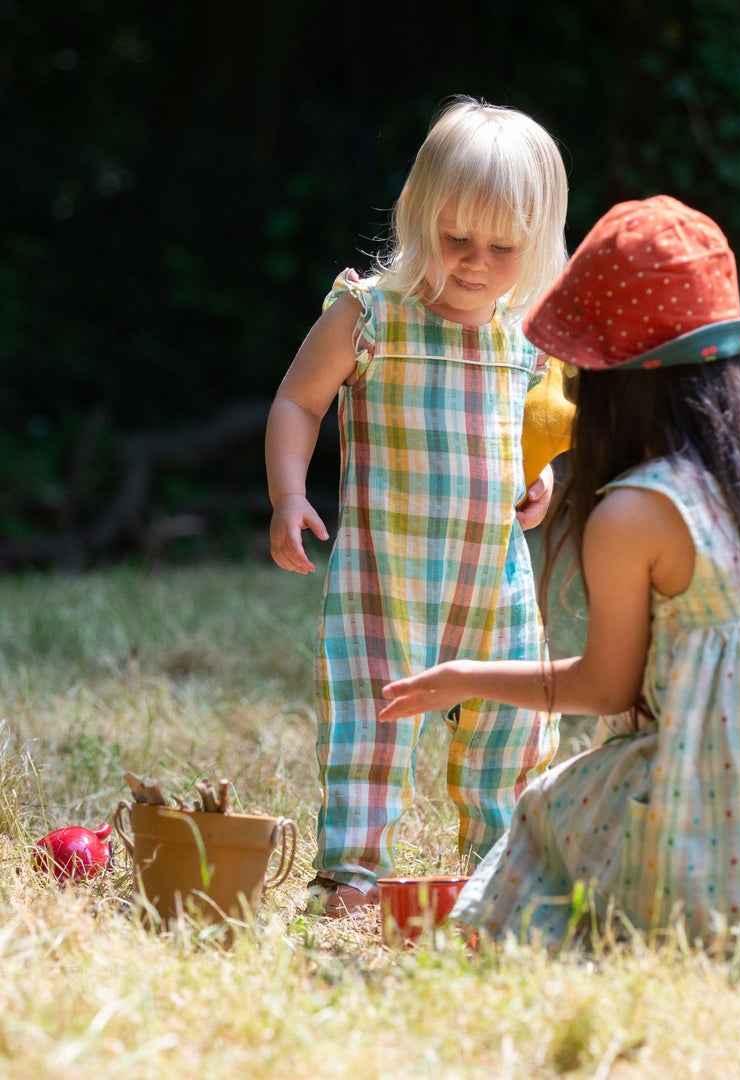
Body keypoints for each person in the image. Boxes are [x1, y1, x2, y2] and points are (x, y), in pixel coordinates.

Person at [379, 195, 740, 990]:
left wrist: (461, 678)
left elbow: (603, 687)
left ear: (610, 380)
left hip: (736, 809)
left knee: (552, 809)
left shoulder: (636, 511)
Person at [265, 97, 568, 917]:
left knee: (510, 728)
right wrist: (289, 494)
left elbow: (532, 438)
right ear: (417, 214)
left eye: (501, 247)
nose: (473, 262)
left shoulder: (526, 338)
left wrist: (537, 484)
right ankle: (352, 873)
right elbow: (297, 403)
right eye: (454, 237)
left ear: (536, 245)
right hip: (385, 578)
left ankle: (503, 868)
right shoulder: (369, 317)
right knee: (372, 721)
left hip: (493, 583)